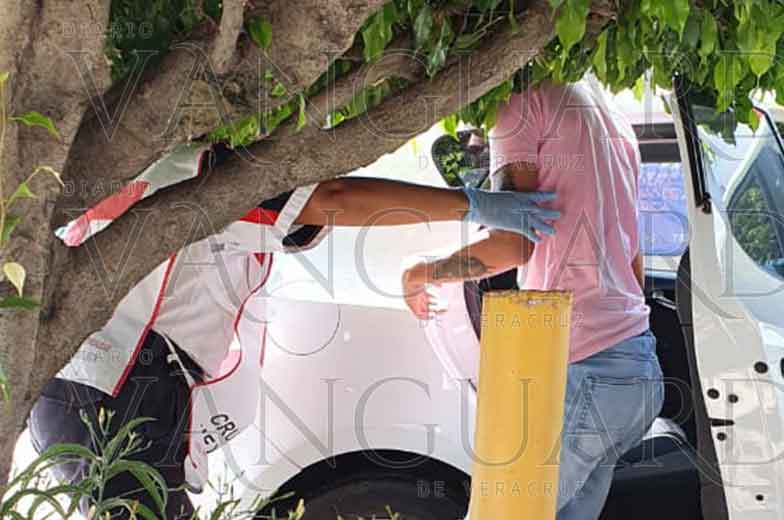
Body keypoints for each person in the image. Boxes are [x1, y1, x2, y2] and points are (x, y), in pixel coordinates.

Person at [29, 143, 560, 519]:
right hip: (120, 387)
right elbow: (334, 200)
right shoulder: (213, 178)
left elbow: (322, 211)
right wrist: (473, 207)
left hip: (84, 383)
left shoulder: (157, 161)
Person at [401, 78, 663, 519]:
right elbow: (633, 257)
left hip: (585, 371)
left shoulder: (522, 104)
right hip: (637, 368)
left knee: (499, 513)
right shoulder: (611, 116)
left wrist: (421, 273)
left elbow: (514, 244)